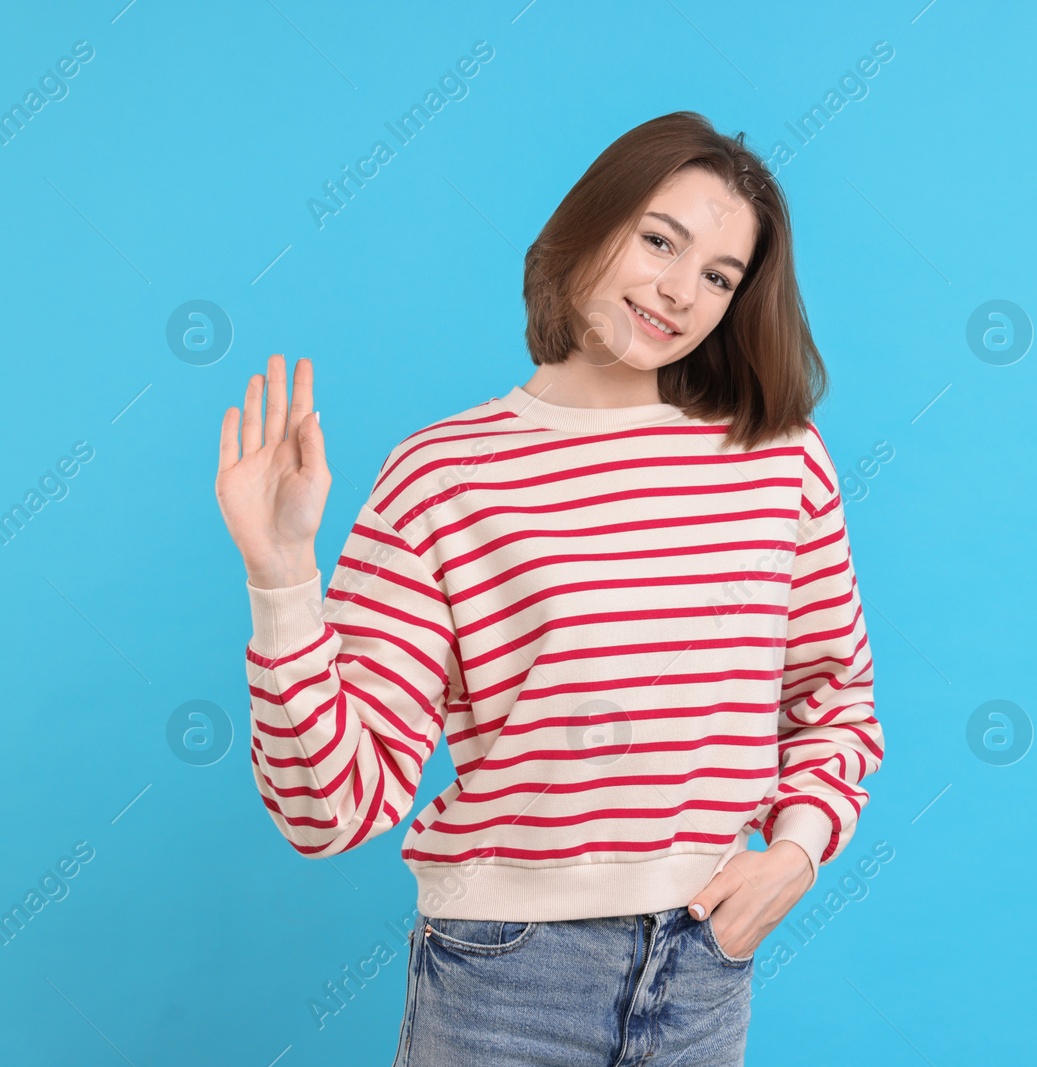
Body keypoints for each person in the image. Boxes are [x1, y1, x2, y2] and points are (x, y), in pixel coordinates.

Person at [213, 111, 884, 1066]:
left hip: (702, 975)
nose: (678, 291)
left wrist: (796, 854)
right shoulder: (441, 477)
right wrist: (281, 578)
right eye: (661, 239)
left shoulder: (777, 461)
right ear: (591, 223)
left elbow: (836, 704)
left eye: (719, 277)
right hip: (502, 987)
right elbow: (332, 809)